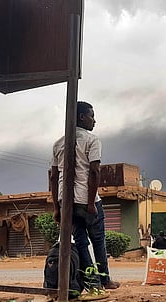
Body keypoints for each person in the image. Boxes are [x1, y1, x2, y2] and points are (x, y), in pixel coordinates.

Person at [50, 101, 119, 289]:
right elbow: (95, 171)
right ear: (82, 117)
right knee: (98, 241)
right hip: (87, 199)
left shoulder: (58, 144)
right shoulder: (92, 140)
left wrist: (57, 208)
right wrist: (90, 204)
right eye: (92, 116)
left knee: (81, 241)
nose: (94, 121)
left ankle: (92, 282)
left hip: (67, 202)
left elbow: (54, 177)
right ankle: (104, 280)